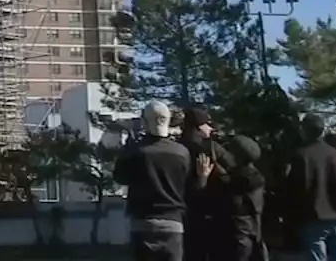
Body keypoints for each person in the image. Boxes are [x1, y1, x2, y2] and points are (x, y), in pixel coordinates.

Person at [111, 100, 190, 261]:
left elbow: (120, 177)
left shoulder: (137, 151)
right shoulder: (182, 152)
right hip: (174, 222)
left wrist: (126, 150)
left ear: (146, 122)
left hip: (143, 223)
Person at [285, 113, 336, 261]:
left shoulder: (302, 156)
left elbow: (294, 190)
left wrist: (292, 218)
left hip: (314, 218)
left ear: (303, 131)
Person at [179, 107, 236, 261]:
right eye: (207, 125)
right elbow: (233, 167)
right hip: (209, 211)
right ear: (198, 127)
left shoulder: (177, 147)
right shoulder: (208, 148)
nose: (210, 128)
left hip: (182, 213)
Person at [203, 134, 266, 261]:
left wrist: (204, 176)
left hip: (231, 238)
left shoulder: (230, 182)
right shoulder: (258, 179)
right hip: (252, 235)